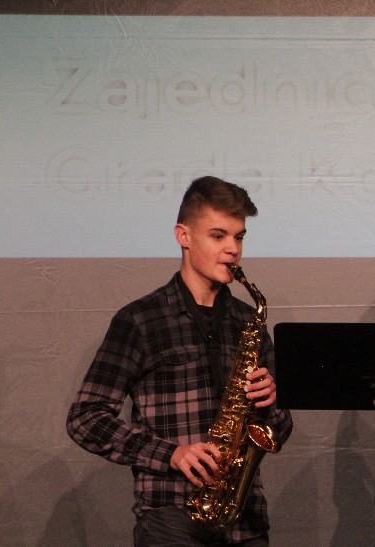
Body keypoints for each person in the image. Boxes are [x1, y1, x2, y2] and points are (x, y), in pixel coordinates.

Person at [66, 176, 293, 546]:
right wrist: (171, 454)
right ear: (183, 236)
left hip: (244, 521)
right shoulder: (140, 320)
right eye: (218, 236)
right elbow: (85, 418)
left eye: (239, 237)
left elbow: (278, 430)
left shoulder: (248, 321)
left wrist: (271, 402)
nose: (232, 249)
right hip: (170, 518)